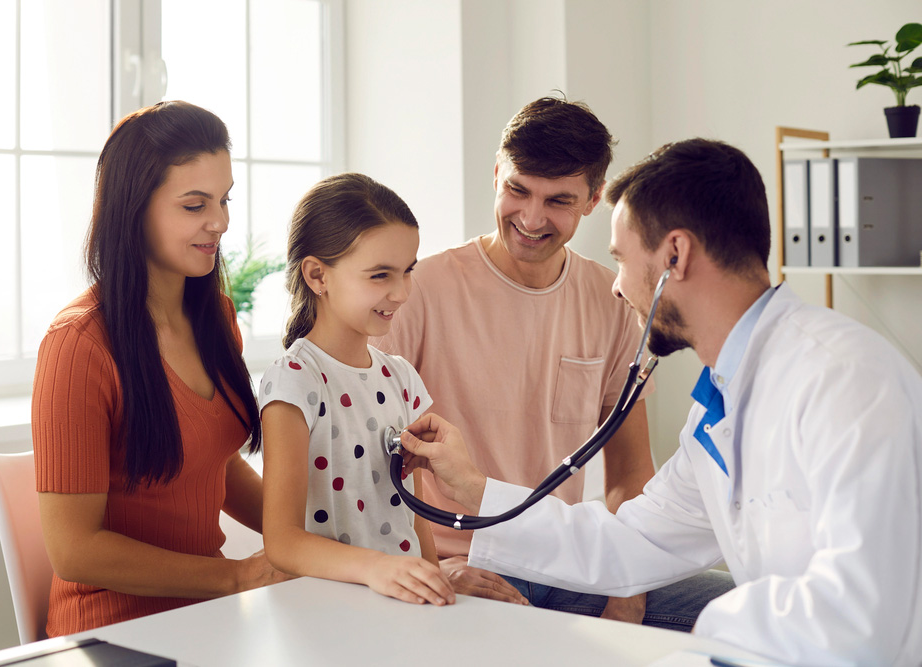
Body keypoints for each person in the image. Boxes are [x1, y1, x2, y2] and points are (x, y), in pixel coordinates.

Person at [398, 138, 922, 666]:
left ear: (675, 255)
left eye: (622, 260)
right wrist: (475, 489)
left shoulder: (844, 380)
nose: (618, 288)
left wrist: (711, 636)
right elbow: (626, 542)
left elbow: (861, 620)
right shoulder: (720, 406)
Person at [377, 94, 732, 627]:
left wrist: (626, 586)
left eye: (559, 201)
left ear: (592, 201)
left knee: (751, 605)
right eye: (517, 190)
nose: (532, 217)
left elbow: (629, 471)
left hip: (568, 561)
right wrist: (427, 567)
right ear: (497, 173)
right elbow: (369, 463)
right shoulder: (420, 290)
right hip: (461, 564)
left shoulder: (612, 299)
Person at [32, 101, 289, 637]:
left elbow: (213, 464)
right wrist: (237, 577)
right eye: (195, 205)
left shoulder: (214, 315)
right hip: (114, 630)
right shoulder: (77, 345)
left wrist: (313, 534)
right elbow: (75, 551)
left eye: (223, 200)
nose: (218, 222)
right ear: (134, 208)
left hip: (210, 615)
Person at [258, 173, 455, 607]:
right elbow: (283, 542)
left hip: (402, 606)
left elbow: (415, 515)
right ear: (317, 276)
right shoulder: (295, 380)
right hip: (329, 613)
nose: (401, 292)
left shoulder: (402, 378)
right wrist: (378, 568)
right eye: (380, 275)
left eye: (407, 272)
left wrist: (435, 584)